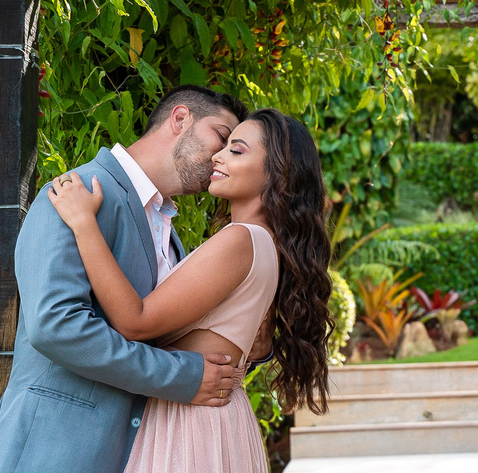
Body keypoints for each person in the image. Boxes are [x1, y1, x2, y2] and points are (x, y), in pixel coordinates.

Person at [46, 107, 334, 473]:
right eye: (225, 145)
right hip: (210, 419)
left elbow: (136, 322)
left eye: (237, 150)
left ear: (279, 173)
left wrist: (84, 222)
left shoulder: (240, 240)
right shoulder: (267, 245)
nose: (219, 155)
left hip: (190, 424)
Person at [0, 86, 249, 473]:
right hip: (53, 450)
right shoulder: (75, 192)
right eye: (222, 138)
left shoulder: (170, 234)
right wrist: (182, 377)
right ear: (180, 119)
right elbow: (56, 326)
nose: (222, 156)